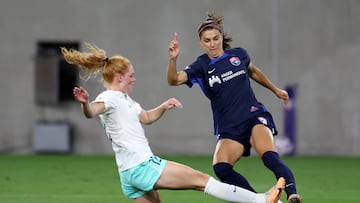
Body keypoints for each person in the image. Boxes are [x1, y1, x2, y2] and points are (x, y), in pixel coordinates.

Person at [61, 43, 285, 203]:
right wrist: (85, 103)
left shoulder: (125, 101)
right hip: (142, 167)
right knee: (202, 180)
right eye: (131, 75)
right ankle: (262, 201)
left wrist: (163, 106)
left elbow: (146, 118)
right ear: (119, 77)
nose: (134, 78)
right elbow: (92, 112)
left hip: (128, 174)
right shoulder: (109, 98)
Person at [167, 12, 302, 203]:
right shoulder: (201, 65)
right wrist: (173, 59)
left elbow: (253, 71)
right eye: (207, 40)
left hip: (253, 117)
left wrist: (275, 89)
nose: (212, 43)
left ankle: (293, 194)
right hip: (229, 127)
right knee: (221, 167)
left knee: (269, 156)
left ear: (222, 37)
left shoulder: (238, 55)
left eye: (216, 38)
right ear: (200, 43)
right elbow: (173, 80)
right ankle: (260, 200)